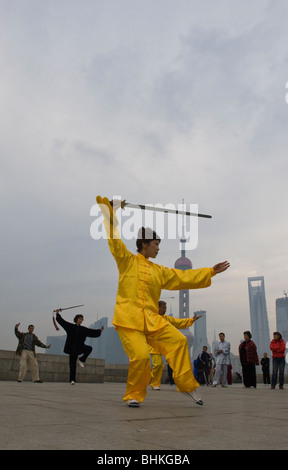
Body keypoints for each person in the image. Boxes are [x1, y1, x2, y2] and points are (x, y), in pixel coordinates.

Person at [96, 195, 230, 407]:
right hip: (128, 320)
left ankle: (187, 386)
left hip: (151, 320)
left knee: (179, 341)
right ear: (144, 244)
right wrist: (110, 211)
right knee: (140, 357)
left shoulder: (159, 271)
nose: (158, 248)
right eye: (156, 244)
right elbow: (113, 238)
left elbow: (182, 277)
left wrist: (210, 272)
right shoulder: (126, 261)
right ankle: (134, 395)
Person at [149, 301, 202, 390]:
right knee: (158, 364)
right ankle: (155, 383)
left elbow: (178, 322)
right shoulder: (151, 318)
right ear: (157, 308)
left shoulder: (167, 319)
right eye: (163, 308)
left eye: (166, 308)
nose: (165, 310)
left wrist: (191, 319)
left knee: (177, 362)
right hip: (154, 346)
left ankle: (182, 381)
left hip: (167, 345)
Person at [55, 310, 104, 384]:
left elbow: (91, 332)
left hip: (80, 347)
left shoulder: (83, 329)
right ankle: (72, 380)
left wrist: (99, 331)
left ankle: (82, 359)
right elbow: (62, 322)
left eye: (82, 319)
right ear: (76, 319)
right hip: (72, 349)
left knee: (89, 348)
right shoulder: (70, 327)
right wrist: (58, 314)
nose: (81, 320)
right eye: (80, 319)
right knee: (72, 365)